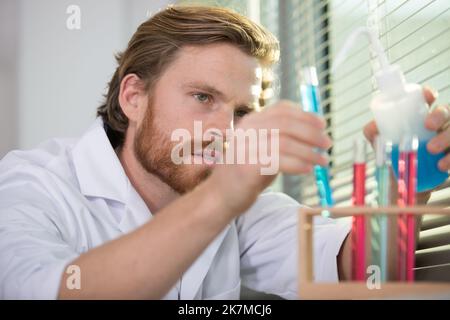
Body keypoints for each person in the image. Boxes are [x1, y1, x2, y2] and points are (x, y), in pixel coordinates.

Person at [0, 6, 448, 300]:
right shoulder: (33, 186)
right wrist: (223, 198)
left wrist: (406, 176)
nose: (224, 130)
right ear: (133, 97)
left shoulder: (241, 206)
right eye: (202, 97)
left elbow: (360, 274)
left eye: (241, 111)